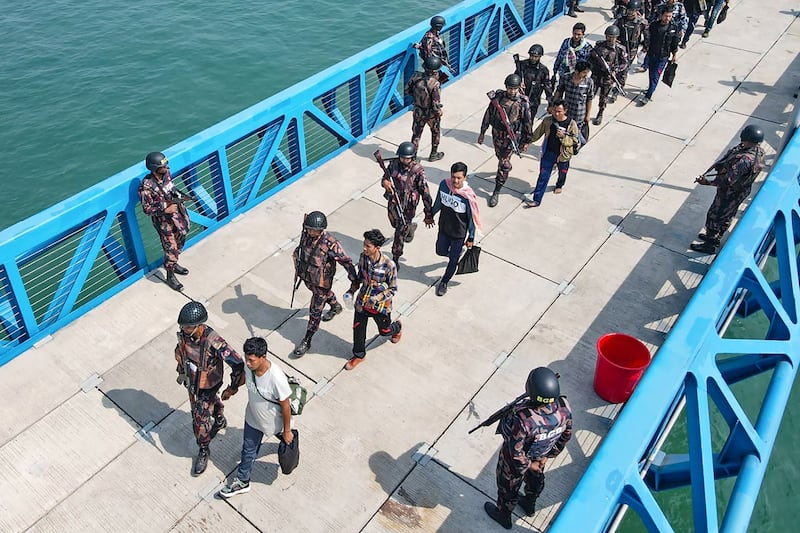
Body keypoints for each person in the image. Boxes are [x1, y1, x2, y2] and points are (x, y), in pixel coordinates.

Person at [484, 367, 573, 529]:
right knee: (536, 479)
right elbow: (566, 435)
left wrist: (523, 467)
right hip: (541, 456)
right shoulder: (564, 407)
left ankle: (503, 515)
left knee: (508, 488)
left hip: (519, 463)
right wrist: (548, 454)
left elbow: (515, 452)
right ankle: (529, 503)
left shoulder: (523, 419)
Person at [174, 301, 244, 476]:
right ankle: (219, 418)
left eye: (188, 327)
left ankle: (203, 448)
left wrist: (232, 388)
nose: (184, 330)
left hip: (209, 384)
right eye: (183, 327)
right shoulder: (185, 335)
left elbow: (238, 364)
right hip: (193, 383)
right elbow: (180, 351)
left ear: (199, 326)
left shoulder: (214, 342)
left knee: (199, 420)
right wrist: (181, 370)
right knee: (211, 404)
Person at [219, 337, 295, 498]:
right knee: (248, 450)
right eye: (246, 359)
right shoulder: (249, 368)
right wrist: (231, 391)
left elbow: (286, 406)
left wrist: (287, 431)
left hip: (274, 422)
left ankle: (290, 437)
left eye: (252, 360)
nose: (248, 363)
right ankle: (242, 481)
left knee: (287, 439)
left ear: (263, 357)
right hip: (253, 418)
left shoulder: (276, 378)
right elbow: (245, 379)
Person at [292, 211, 359, 356]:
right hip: (309, 278)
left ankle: (307, 340)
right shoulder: (306, 235)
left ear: (320, 229)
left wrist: (354, 279)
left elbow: (345, 261)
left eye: (312, 229)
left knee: (315, 311)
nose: (309, 231)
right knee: (322, 295)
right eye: (308, 228)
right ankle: (335, 306)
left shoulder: (330, 244)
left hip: (322, 282)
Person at [691, 124, 766, 254]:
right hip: (740, 192)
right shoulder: (759, 152)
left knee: (715, 216)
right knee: (727, 215)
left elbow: (727, 180)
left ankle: (709, 244)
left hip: (729, 193)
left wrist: (707, 182)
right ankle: (716, 239)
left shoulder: (744, 160)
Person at [344, 229, 402, 371]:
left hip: (380, 306)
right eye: (364, 244)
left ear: (377, 248)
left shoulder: (389, 265)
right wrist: (351, 290)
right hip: (362, 302)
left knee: (384, 331)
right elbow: (359, 278)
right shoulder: (363, 257)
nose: (364, 248)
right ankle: (359, 355)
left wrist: (376, 298)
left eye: (368, 246)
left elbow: (393, 289)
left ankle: (397, 327)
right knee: (358, 329)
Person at [478, 74, 533, 208]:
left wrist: (526, 141)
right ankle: (504, 167)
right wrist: (482, 132)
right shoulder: (498, 98)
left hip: (511, 137)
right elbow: (488, 114)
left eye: (514, 89)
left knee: (503, 164)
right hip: (497, 134)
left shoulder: (523, 103)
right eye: (510, 88)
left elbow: (527, 122)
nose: (512, 91)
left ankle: (496, 191)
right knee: (499, 157)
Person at [138, 151, 191, 291]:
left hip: (178, 217)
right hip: (164, 222)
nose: (167, 168)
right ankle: (170, 274)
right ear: (154, 168)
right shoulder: (146, 186)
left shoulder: (166, 174)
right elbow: (147, 209)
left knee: (181, 241)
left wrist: (180, 196)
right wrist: (164, 208)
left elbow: (171, 188)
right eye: (163, 166)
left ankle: (173, 263)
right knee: (171, 248)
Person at [430, 162, 482, 296]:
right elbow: (438, 202)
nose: (455, 180)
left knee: (453, 260)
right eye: (453, 177)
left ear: (465, 178)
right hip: (444, 228)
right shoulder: (444, 185)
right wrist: (430, 214)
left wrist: (471, 237)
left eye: (459, 178)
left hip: (458, 234)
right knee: (440, 251)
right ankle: (454, 254)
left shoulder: (467, 196)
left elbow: (472, 219)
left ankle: (444, 282)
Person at [380, 142, 435, 267]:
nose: (404, 160)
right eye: (402, 157)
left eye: (407, 158)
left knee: (399, 232)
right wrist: (385, 183)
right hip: (393, 201)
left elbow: (425, 194)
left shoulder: (418, 172)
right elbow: (385, 178)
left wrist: (428, 214)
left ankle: (396, 257)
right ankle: (409, 229)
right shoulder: (393, 165)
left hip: (408, 207)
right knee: (394, 223)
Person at [523, 99, 580, 207]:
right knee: (543, 176)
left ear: (565, 111)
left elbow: (575, 141)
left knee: (562, 172)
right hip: (548, 153)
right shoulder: (548, 121)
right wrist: (527, 142)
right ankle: (537, 200)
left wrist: (563, 137)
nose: (556, 114)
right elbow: (537, 133)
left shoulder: (571, 124)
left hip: (563, 155)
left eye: (559, 111)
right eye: (555, 111)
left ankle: (559, 184)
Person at [638, 5, 679, 106]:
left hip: (663, 57)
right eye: (666, 16)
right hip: (652, 54)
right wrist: (644, 46)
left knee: (655, 76)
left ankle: (648, 96)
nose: (668, 18)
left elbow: (675, 42)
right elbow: (648, 38)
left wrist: (674, 54)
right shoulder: (654, 26)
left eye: (670, 16)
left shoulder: (673, 28)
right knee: (651, 75)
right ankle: (650, 88)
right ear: (661, 15)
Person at [406, 56, 445, 162]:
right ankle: (434, 154)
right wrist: (439, 111)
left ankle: (413, 157)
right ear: (436, 71)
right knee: (435, 132)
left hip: (418, 110)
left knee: (416, 134)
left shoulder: (415, 76)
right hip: (431, 113)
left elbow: (407, 90)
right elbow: (435, 102)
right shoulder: (435, 84)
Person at [590, 26, 629, 125]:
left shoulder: (620, 49)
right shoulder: (599, 46)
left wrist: (615, 69)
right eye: (608, 36)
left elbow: (624, 63)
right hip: (596, 75)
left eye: (613, 37)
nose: (610, 39)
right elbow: (591, 58)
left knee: (603, 97)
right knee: (590, 94)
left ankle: (600, 113)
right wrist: (595, 62)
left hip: (608, 78)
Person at [554, 60, 594, 146]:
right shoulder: (566, 78)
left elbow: (589, 99)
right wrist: (553, 106)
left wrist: (588, 115)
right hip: (567, 112)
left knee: (576, 134)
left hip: (579, 114)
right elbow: (559, 92)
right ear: (576, 71)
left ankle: (574, 146)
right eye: (584, 72)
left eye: (587, 72)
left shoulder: (589, 82)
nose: (585, 75)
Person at [614, 0, 650, 90]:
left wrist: (645, 46)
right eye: (628, 10)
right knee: (615, 67)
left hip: (631, 50)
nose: (630, 13)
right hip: (619, 47)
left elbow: (647, 36)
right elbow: (613, 30)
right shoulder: (621, 20)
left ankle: (618, 87)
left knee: (624, 69)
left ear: (637, 11)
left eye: (632, 11)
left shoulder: (641, 22)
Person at [514, 44, 554, 118]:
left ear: (540, 57)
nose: (533, 58)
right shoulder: (522, 65)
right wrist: (519, 84)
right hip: (520, 98)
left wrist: (550, 103)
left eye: (536, 57)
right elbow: (515, 78)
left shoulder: (543, 70)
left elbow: (547, 87)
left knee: (528, 122)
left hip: (533, 100)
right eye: (531, 56)